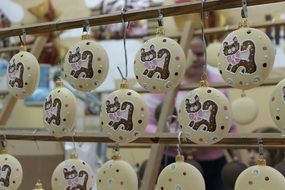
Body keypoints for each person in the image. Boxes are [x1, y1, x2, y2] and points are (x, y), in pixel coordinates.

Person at [143, 37, 235, 190]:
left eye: (200, 54)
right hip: (173, 159)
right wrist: (173, 139)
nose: (196, 58)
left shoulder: (218, 81)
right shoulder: (164, 83)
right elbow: (146, 124)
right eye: (189, 53)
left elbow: (230, 124)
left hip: (215, 163)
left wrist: (233, 152)